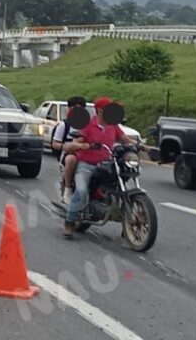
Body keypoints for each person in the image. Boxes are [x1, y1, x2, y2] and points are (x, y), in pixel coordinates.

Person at [59, 97, 136, 239]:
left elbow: (124, 139)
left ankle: (127, 223)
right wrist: (81, 145)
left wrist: (139, 145)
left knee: (122, 187)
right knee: (81, 191)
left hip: (107, 164)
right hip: (87, 164)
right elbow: (76, 141)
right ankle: (69, 221)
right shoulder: (88, 125)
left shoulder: (113, 125)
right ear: (100, 111)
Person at [51, 96, 87, 205]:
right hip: (69, 154)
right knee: (71, 159)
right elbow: (55, 144)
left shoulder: (88, 125)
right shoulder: (64, 125)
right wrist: (64, 146)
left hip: (87, 152)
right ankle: (68, 188)